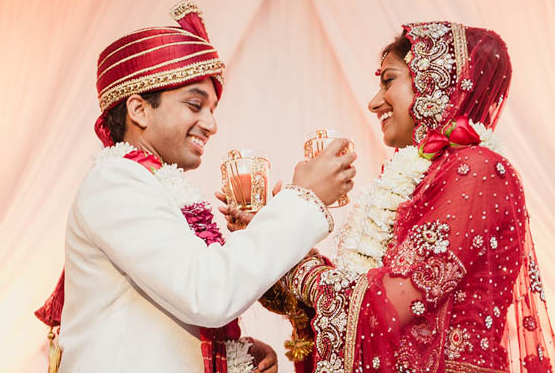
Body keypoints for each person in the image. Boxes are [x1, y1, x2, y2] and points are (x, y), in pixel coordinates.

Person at [34, 0, 357, 373]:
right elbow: (207, 292)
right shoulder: (116, 183)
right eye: (194, 104)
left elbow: (178, 299)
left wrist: (232, 351)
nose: (210, 124)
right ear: (139, 110)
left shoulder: (155, 185)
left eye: (212, 110)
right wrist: (304, 199)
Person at [222, 22, 555, 372]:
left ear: (436, 82)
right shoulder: (420, 176)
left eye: (389, 81)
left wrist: (296, 258)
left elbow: (392, 302)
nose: (373, 102)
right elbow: (365, 297)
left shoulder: (478, 169)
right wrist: (272, 236)